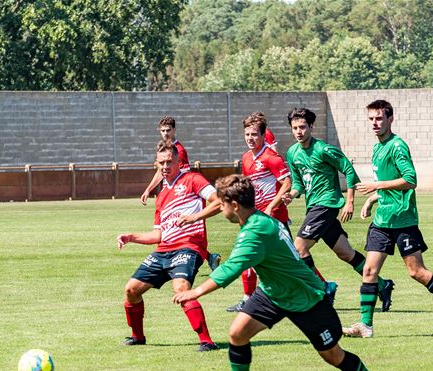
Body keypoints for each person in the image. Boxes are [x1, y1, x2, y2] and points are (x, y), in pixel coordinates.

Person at [173, 174, 384, 371]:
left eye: (221, 204)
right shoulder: (257, 220)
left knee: (332, 355)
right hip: (273, 292)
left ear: (234, 206)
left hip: (306, 297)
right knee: (237, 333)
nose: (219, 208)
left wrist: (196, 292)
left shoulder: (256, 232)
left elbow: (231, 269)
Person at [343, 100, 433, 338]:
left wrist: (376, 186)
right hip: (382, 221)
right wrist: (373, 200)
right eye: (371, 119)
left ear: (390, 119)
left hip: (403, 221)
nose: (375, 123)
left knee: (417, 272)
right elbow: (388, 185)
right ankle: (365, 325)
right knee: (369, 270)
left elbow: (410, 180)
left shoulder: (397, 146)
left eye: (379, 118)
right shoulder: (377, 148)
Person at [282, 107, 395, 312]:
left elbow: (348, 169)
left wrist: (349, 201)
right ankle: (382, 284)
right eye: (295, 128)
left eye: (302, 127)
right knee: (345, 253)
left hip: (326, 204)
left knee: (299, 247)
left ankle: (322, 289)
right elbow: (298, 183)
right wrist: (292, 195)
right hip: (314, 206)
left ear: (311, 127)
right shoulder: (292, 153)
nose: (299, 131)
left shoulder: (323, 149)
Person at [117, 140, 219, 352]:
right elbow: (158, 235)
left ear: (179, 161)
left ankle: (206, 341)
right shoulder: (162, 196)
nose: (165, 167)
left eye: (169, 162)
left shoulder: (193, 179)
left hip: (189, 247)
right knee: (131, 290)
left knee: (181, 289)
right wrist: (131, 237)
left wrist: (194, 217)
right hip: (164, 250)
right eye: (161, 163)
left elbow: (219, 201)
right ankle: (138, 337)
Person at [226, 112, 329, 313]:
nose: (250, 138)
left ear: (264, 135)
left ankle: (324, 288)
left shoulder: (271, 157)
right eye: (247, 134)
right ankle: (248, 298)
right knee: (251, 256)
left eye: (254, 134)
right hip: (257, 218)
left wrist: (271, 206)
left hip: (274, 219)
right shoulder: (247, 157)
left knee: (291, 260)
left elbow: (287, 183)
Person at [140, 116, 222, 270]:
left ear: (174, 130)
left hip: (182, 195)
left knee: (180, 233)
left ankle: (203, 257)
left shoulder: (179, 151)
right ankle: (210, 257)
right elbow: (160, 172)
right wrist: (149, 189)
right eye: (162, 131)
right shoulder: (164, 150)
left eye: (168, 130)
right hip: (170, 194)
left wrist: (173, 193)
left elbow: (182, 177)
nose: (165, 133)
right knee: (173, 230)